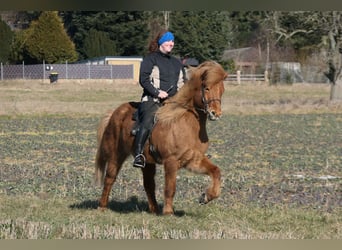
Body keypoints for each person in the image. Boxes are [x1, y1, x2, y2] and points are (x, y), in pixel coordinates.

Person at [133, 30, 186, 168]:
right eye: (168, 41)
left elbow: (182, 82)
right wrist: (157, 93)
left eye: (173, 41)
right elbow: (143, 80)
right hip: (152, 99)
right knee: (148, 120)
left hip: (173, 102)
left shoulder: (176, 62)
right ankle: (138, 154)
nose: (171, 43)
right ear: (161, 43)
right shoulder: (150, 59)